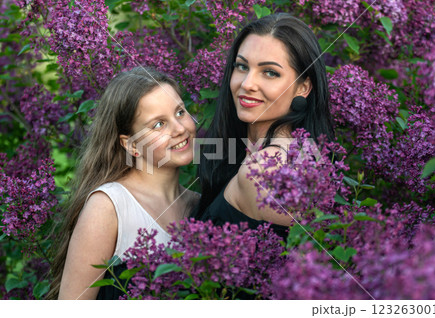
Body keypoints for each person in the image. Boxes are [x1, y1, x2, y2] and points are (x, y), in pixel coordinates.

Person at [47, 67, 198, 300]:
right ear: (131, 145)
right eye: (158, 124)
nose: (180, 129)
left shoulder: (200, 204)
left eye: (180, 112)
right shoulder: (109, 206)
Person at [193, 13, 334, 238]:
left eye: (270, 72)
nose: (247, 84)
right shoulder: (299, 153)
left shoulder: (264, 171)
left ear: (303, 88)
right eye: (241, 67)